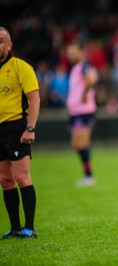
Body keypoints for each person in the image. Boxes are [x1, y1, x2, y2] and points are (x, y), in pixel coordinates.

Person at [0, 26, 40, 238]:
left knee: (22, 177)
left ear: (9, 45)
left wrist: (30, 128)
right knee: (5, 180)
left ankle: (29, 227)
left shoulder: (21, 68)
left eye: (0, 41)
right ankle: (15, 228)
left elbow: (34, 99)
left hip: (16, 128)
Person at [66, 42, 98, 186]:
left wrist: (85, 94)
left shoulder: (84, 66)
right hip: (75, 112)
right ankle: (87, 175)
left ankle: (89, 176)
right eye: (69, 52)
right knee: (77, 144)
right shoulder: (75, 68)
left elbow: (92, 79)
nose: (71, 55)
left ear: (81, 52)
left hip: (83, 111)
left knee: (82, 143)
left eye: (74, 52)